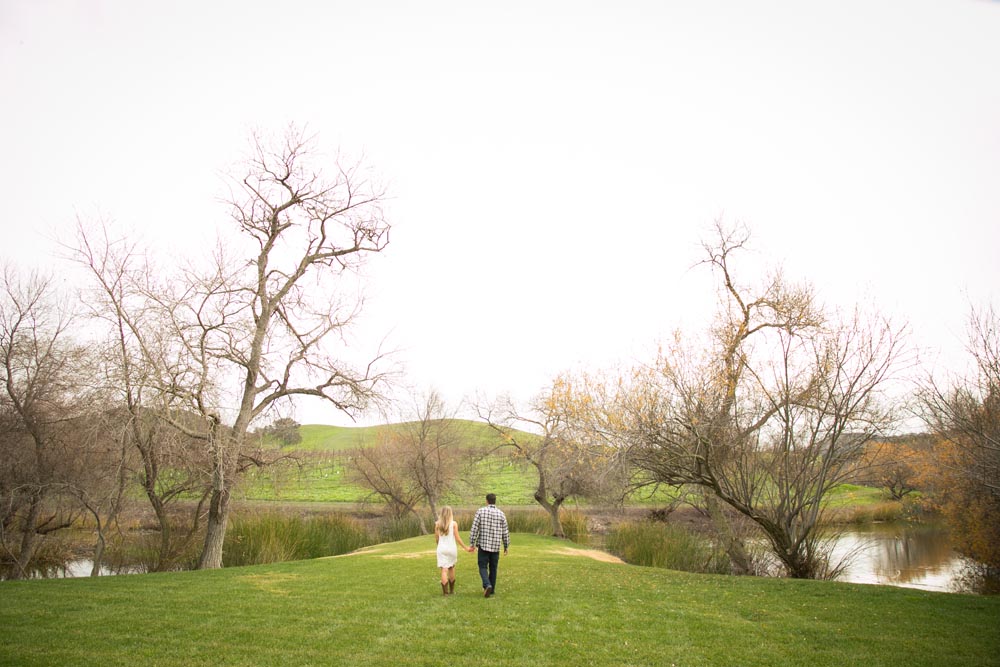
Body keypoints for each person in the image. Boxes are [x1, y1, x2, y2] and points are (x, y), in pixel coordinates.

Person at [469, 492, 509, 598]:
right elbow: (505, 532)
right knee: (493, 568)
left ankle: (487, 585)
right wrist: (506, 546)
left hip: (483, 545)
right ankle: (491, 589)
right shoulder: (501, 514)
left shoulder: (481, 511)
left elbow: (474, 528)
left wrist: (472, 543)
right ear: (495, 501)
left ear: (486, 501)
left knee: (482, 566)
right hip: (495, 546)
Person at [435, 505, 472, 595]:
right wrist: (466, 548)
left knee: (444, 570)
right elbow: (458, 538)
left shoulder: (437, 524)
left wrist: (439, 546)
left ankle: (445, 593)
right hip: (452, 549)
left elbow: (436, 538)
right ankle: (452, 591)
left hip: (441, 549)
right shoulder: (454, 524)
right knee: (451, 567)